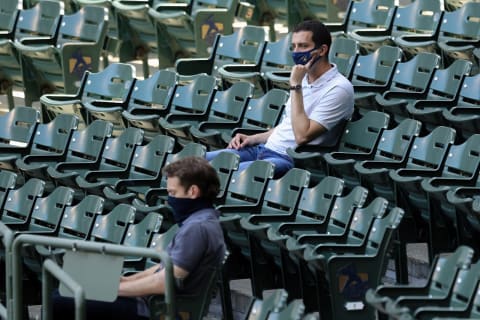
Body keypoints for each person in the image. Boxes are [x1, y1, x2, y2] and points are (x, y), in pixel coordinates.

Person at [52, 156, 226, 319]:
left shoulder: (198, 228)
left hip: (158, 309)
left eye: (173, 193)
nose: (169, 200)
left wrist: (112, 289)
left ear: (193, 191)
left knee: (61, 299)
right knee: (67, 286)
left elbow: (164, 283)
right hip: (153, 302)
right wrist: (126, 280)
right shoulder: (201, 221)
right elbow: (163, 268)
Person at [206, 20, 354, 178]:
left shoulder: (339, 89)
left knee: (221, 175)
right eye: (294, 46)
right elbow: (288, 126)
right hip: (262, 149)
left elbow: (302, 135)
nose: (297, 52)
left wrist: (295, 85)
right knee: (195, 164)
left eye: (303, 46)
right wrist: (253, 138)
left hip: (287, 159)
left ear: (322, 50)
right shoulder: (303, 78)